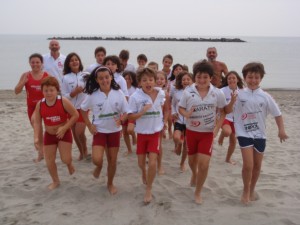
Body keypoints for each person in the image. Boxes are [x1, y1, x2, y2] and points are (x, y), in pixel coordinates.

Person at [227, 62, 288, 204]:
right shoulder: (238, 94)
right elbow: (227, 110)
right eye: (250, 77)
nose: (253, 80)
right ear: (244, 78)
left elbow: (277, 114)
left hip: (260, 134)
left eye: (256, 77)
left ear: (261, 79)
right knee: (248, 165)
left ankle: (252, 188)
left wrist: (281, 130)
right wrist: (231, 102)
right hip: (243, 133)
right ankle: (246, 190)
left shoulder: (265, 96)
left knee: (257, 166)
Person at [178, 60, 228, 204]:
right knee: (192, 161)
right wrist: (186, 114)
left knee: (204, 164)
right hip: (191, 132)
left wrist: (217, 128)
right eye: (199, 77)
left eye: (205, 77)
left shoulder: (217, 93)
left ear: (211, 78)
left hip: (207, 133)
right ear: (195, 77)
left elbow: (222, 112)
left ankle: (198, 192)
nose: (202, 80)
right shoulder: (188, 92)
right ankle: (194, 174)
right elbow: (181, 108)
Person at [81, 66, 129, 195]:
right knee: (97, 159)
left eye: (107, 77)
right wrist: (89, 126)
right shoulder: (92, 95)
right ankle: (99, 167)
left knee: (112, 160)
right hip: (99, 131)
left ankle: (110, 183)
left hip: (114, 131)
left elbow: (126, 111)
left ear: (111, 77)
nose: (104, 80)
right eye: (101, 78)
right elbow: (83, 110)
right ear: (96, 80)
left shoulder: (118, 93)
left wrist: (122, 120)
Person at [128, 67, 168, 203]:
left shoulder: (161, 93)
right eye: (144, 80)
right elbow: (130, 116)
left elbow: (165, 107)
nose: (148, 82)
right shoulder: (135, 97)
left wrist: (165, 122)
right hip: (142, 134)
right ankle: (144, 174)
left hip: (155, 133)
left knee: (152, 163)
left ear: (155, 81)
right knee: (141, 163)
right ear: (139, 83)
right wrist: (142, 112)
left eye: (151, 79)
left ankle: (149, 189)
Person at [34, 76, 79, 190]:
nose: (49, 93)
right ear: (42, 91)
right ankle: (55, 181)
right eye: (46, 90)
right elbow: (38, 123)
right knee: (49, 160)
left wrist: (64, 128)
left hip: (63, 133)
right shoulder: (40, 104)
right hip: (49, 135)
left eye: (51, 90)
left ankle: (69, 164)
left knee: (65, 159)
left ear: (57, 90)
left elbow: (75, 115)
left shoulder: (63, 101)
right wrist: (36, 138)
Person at [14, 53, 49, 162]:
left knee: (43, 127)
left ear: (41, 63)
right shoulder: (26, 75)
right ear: (29, 63)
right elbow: (16, 91)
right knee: (37, 130)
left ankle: (44, 151)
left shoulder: (46, 75)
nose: (35, 64)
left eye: (37, 62)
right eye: (33, 62)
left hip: (44, 105)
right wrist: (22, 83)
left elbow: (53, 90)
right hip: (32, 107)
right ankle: (41, 153)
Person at [61, 52, 89, 161]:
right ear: (68, 64)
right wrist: (74, 92)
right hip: (70, 108)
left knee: (79, 131)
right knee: (75, 133)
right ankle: (82, 152)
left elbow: (92, 91)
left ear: (79, 62)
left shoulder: (86, 75)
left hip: (83, 107)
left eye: (76, 59)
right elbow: (64, 96)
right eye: (71, 60)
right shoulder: (65, 78)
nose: (74, 62)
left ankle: (85, 149)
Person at [218, 71, 244, 165]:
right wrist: (232, 101)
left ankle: (228, 159)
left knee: (233, 142)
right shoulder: (222, 91)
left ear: (237, 79)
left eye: (233, 78)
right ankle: (222, 134)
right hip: (225, 117)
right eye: (229, 78)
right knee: (227, 132)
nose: (231, 80)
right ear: (227, 80)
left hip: (236, 119)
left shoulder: (242, 91)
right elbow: (222, 109)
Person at [171, 71, 193, 172]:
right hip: (179, 119)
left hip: (190, 122)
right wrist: (173, 112)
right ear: (181, 81)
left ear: (192, 81)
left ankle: (182, 163)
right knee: (176, 137)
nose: (186, 81)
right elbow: (173, 104)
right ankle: (178, 144)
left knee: (186, 146)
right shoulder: (177, 93)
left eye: (188, 79)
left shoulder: (195, 93)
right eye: (184, 79)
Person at [155, 70, 170, 175]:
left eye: (162, 79)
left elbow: (167, 110)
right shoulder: (147, 91)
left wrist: (165, 122)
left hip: (159, 122)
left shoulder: (165, 94)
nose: (159, 81)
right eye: (157, 78)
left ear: (165, 81)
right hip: (147, 122)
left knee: (159, 145)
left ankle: (159, 165)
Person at [122, 71, 138, 155]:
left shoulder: (135, 89)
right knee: (124, 132)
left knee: (130, 130)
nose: (127, 80)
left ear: (132, 80)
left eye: (129, 78)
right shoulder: (120, 89)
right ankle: (129, 150)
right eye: (125, 78)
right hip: (124, 112)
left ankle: (134, 136)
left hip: (132, 113)